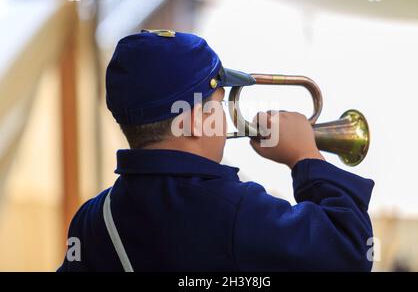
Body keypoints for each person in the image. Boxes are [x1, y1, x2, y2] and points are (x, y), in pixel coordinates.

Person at [58, 30, 374, 272]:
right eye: (220, 103)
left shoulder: (93, 218)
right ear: (196, 120)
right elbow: (352, 249)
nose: (227, 116)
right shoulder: (237, 210)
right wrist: (306, 157)